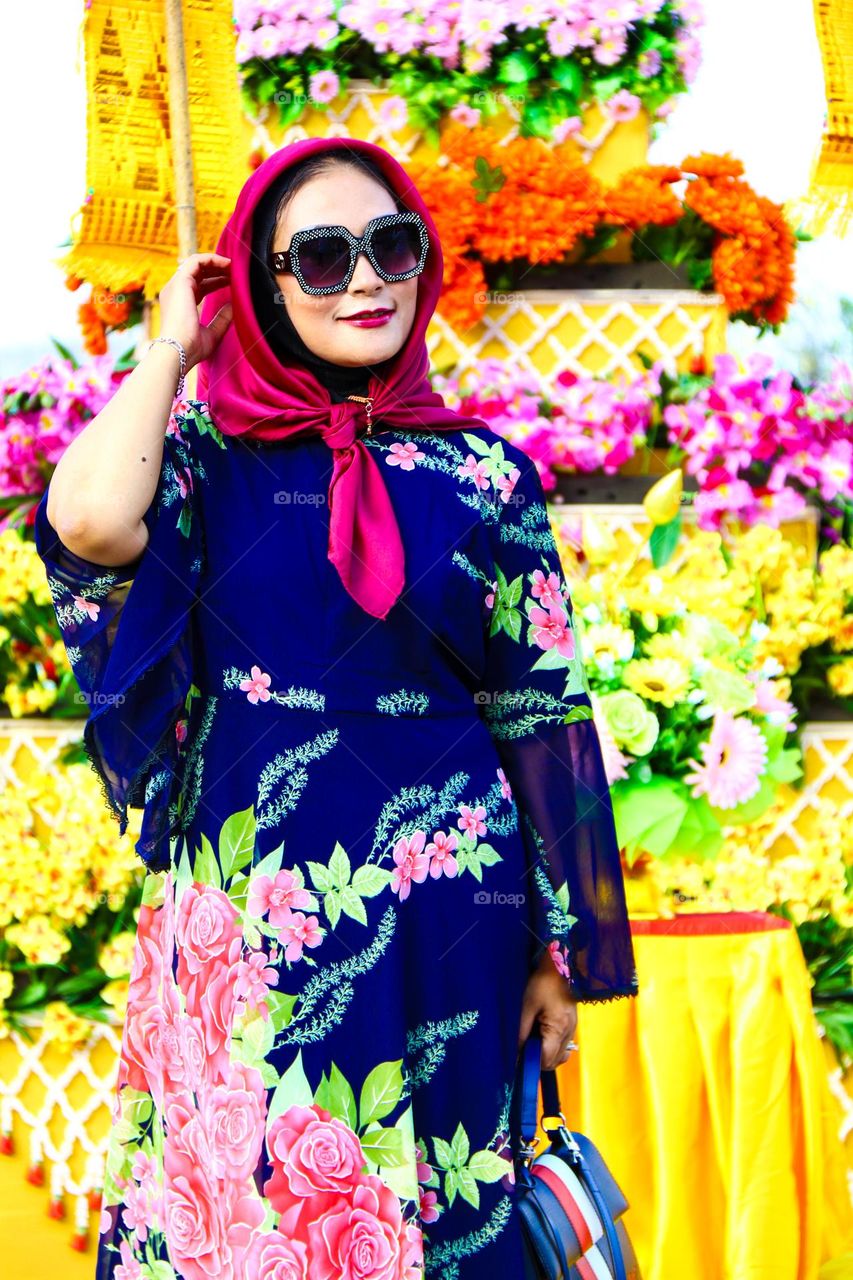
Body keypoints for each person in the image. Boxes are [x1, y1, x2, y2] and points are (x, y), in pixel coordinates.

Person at [35, 136, 639, 1280]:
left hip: (449, 915)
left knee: (440, 1208)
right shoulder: (201, 459)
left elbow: (545, 710)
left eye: (389, 246)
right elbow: (89, 525)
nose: (364, 279)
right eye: (318, 257)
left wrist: (563, 949)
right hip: (254, 908)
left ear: (424, 263)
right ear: (261, 284)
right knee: (248, 1207)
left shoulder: (483, 475)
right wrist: (173, 345)